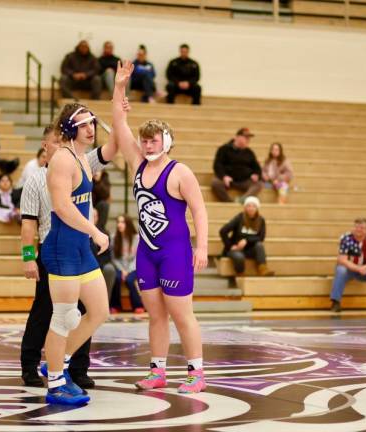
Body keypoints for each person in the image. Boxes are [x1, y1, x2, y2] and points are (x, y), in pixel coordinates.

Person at [113, 60, 208, 394]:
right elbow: (120, 125)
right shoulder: (137, 165)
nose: (147, 145)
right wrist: (120, 87)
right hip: (147, 253)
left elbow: (199, 210)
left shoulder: (180, 172)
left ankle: (196, 374)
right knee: (155, 316)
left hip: (176, 252)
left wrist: (202, 246)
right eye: (145, 141)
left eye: (153, 141)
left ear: (166, 142)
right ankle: (158, 371)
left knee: (182, 315)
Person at [19, 115, 123, 393]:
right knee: (48, 314)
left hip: (79, 246)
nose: (58, 146)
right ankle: (34, 367)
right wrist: (28, 256)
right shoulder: (37, 179)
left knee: (95, 311)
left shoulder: (82, 160)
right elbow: (29, 223)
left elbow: (114, 147)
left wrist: (118, 101)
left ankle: (65, 365)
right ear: (46, 146)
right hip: (54, 248)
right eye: (54, 142)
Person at [219, 196, 274, 282]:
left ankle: (263, 268)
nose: (251, 208)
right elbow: (223, 231)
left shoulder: (261, 220)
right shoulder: (239, 218)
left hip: (250, 249)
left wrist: (247, 240)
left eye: (253, 206)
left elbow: (261, 237)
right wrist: (230, 246)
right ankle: (240, 273)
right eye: (248, 205)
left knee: (259, 245)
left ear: (257, 208)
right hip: (236, 249)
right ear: (245, 207)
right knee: (239, 257)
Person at [211, 128, 262, 202]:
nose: (248, 140)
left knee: (259, 184)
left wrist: (256, 174)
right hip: (228, 180)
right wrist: (224, 176)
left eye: (248, 138)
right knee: (215, 182)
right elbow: (217, 165)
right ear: (237, 137)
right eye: (245, 137)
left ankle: (242, 200)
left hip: (244, 180)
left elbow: (256, 167)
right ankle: (228, 201)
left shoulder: (249, 152)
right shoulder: (224, 149)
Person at [110, 214, 144, 314]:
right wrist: (122, 270)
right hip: (120, 268)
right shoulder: (114, 237)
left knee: (129, 280)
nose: (119, 224)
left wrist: (128, 271)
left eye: (122, 222)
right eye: (118, 222)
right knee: (116, 278)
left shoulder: (137, 238)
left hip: (134, 268)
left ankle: (138, 305)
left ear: (128, 224)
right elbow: (114, 258)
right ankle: (115, 305)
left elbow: (137, 258)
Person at [92, 208, 116, 306]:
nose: (93, 218)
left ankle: (105, 304)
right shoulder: (79, 231)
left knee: (110, 269)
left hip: (99, 265)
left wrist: (97, 266)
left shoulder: (103, 233)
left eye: (94, 216)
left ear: (97, 218)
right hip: (83, 265)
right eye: (91, 216)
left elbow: (107, 256)